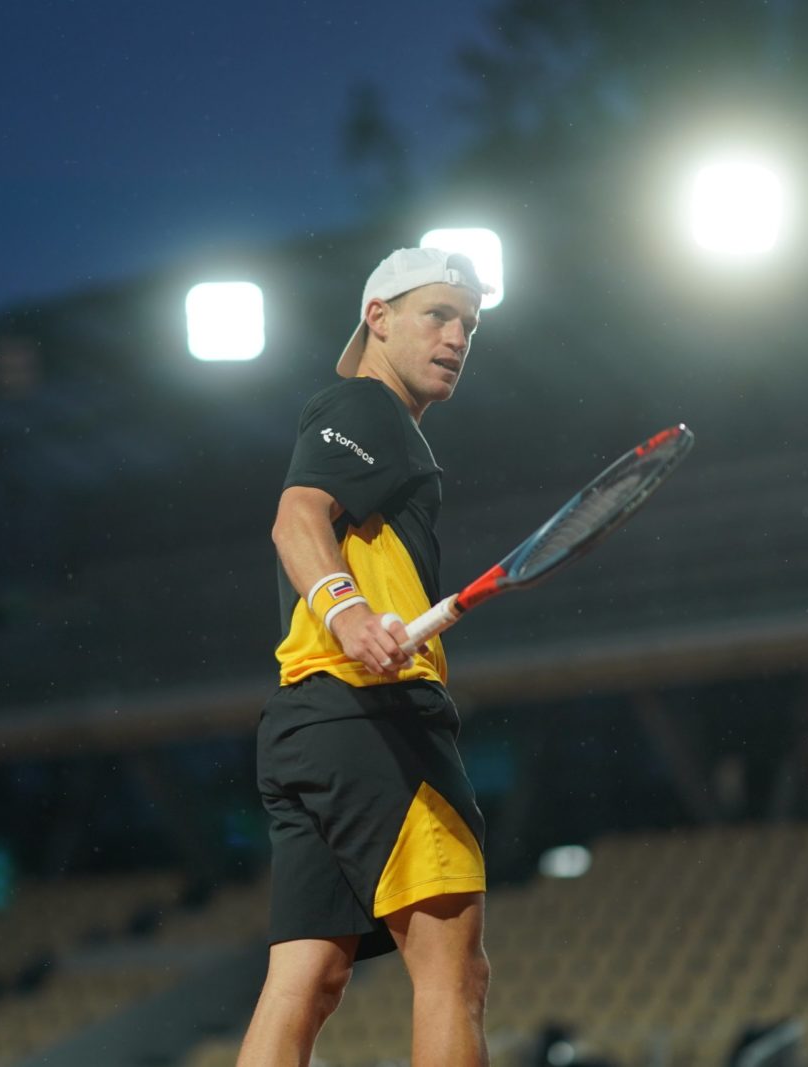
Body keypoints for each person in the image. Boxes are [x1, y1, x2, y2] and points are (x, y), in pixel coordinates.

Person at [237, 247, 492, 1067]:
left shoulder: (373, 423)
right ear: (377, 318)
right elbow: (295, 519)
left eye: (469, 326)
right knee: (453, 971)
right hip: (374, 718)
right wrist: (347, 612)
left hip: (304, 727)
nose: (456, 338)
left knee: (306, 979)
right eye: (438, 316)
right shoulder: (366, 406)